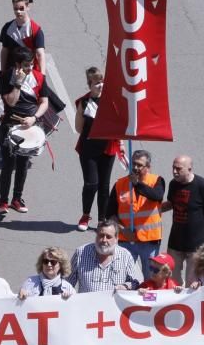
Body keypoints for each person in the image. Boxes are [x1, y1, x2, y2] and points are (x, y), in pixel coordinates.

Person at [0, 46, 49, 214]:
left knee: (23, 165)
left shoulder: (40, 78)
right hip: (10, 125)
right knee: (8, 165)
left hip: (29, 125)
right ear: (17, 65)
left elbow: (44, 102)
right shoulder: (6, 77)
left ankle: (17, 199)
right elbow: (11, 102)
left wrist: (34, 118)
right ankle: (3, 201)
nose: (30, 68)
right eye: (26, 65)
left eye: (32, 64)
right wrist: (18, 82)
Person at [160, 155, 204, 285]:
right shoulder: (173, 184)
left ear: (189, 169)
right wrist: (153, 210)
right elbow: (172, 203)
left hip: (196, 247)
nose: (174, 172)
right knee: (171, 281)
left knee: (192, 284)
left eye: (178, 169)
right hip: (175, 243)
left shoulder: (202, 186)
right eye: (173, 168)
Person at [74, 67, 121, 232]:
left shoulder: (112, 101)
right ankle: (85, 215)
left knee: (104, 185)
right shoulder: (83, 102)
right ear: (89, 84)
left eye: (102, 82)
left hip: (108, 148)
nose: (100, 85)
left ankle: (103, 219)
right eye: (96, 83)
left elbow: (119, 124)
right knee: (91, 183)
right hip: (88, 149)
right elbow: (79, 128)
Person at [107, 150, 165, 276]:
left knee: (151, 277)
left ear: (148, 167)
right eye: (134, 164)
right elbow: (110, 214)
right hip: (126, 239)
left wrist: (137, 184)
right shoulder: (119, 184)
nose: (135, 168)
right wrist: (123, 230)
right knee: (122, 276)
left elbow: (156, 195)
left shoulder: (157, 181)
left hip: (149, 240)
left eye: (140, 165)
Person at [67, 219, 141, 293]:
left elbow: (134, 283)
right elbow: (67, 282)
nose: (104, 240)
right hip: (87, 303)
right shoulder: (81, 253)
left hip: (112, 304)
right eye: (101, 235)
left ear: (116, 239)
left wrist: (125, 286)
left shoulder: (126, 256)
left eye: (108, 237)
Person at [0, 0, 46, 73]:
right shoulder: (7, 27)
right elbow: (4, 50)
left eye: (21, 8)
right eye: (15, 8)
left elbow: (40, 54)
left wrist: (42, 76)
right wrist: (2, 71)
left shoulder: (35, 30)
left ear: (27, 7)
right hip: (11, 71)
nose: (18, 12)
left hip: (30, 73)